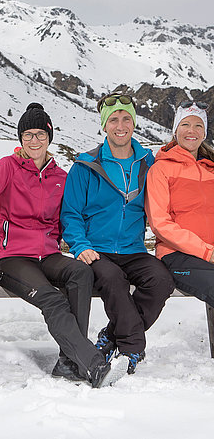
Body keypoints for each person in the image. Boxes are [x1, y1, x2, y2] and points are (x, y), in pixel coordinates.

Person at [0, 103, 110, 388]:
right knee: (52, 299)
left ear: (49, 137)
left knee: (81, 273)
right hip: (13, 258)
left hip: (48, 254)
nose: (34, 140)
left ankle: (68, 360)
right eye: (28, 135)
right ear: (20, 139)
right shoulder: (7, 167)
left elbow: (71, 218)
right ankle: (89, 360)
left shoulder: (60, 178)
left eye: (40, 134)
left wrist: (83, 245)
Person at [60, 92, 174, 375]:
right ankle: (131, 348)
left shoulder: (149, 163)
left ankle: (111, 336)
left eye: (126, 118)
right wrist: (80, 245)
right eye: (113, 120)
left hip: (133, 249)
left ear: (134, 123)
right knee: (113, 280)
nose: (120, 125)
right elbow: (70, 213)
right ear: (104, 125)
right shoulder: (85, 165)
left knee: (161, 280)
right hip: (96, 249)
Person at [145, 101, 214, 310]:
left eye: (198, 125)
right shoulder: (161, 169)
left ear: (204, 133)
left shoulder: (211, 170)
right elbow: (160, 223)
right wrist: (207, 253)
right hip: (177, 255)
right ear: (175, 131)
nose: (191, 131)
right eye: (185, 125)